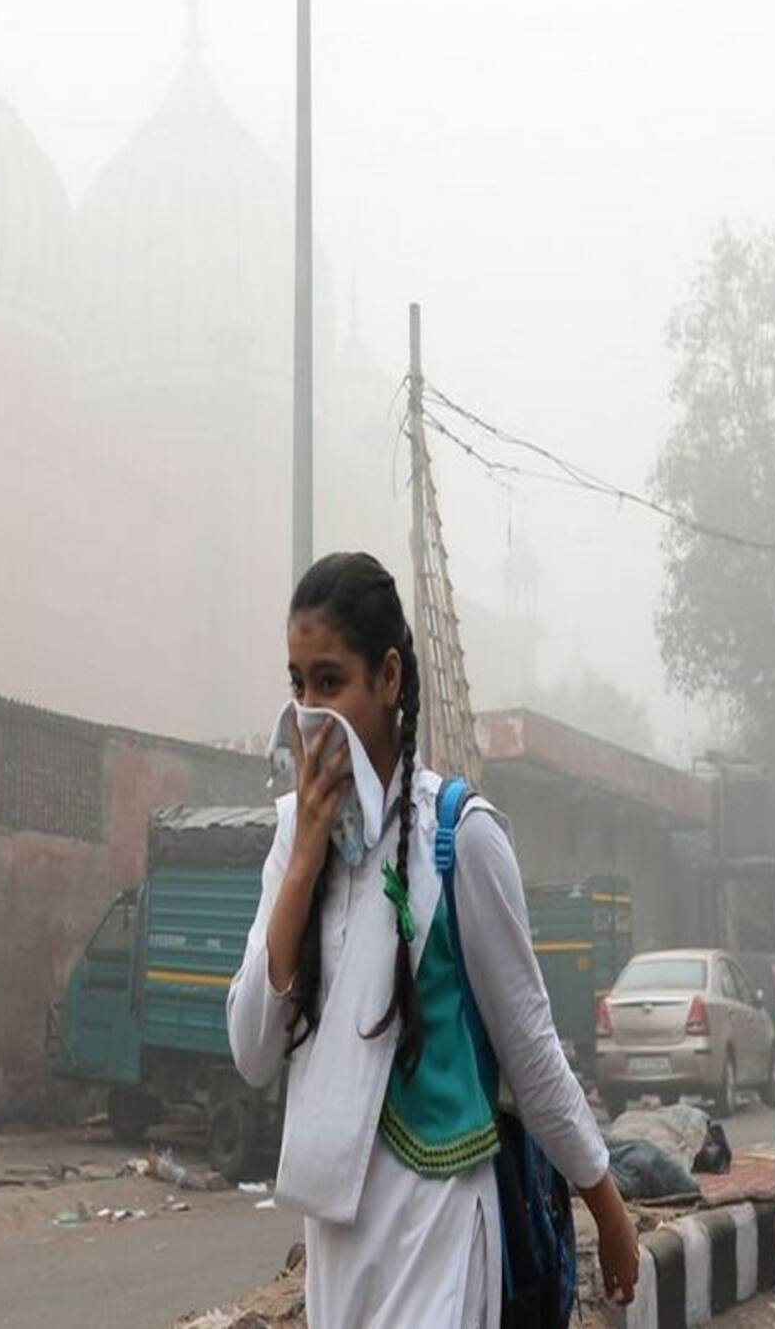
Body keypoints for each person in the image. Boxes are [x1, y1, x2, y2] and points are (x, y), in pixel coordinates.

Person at [227, 552, 639, 1328]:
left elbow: (530, 1046)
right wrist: (304, 859)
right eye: (299, 685)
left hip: (441, 1220)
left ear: (388, 677)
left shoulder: (461, 836)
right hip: (337, 1235)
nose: (311, 712)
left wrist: (606, 1205)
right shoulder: (291, 838)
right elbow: (252, 1049)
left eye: (331, 681)